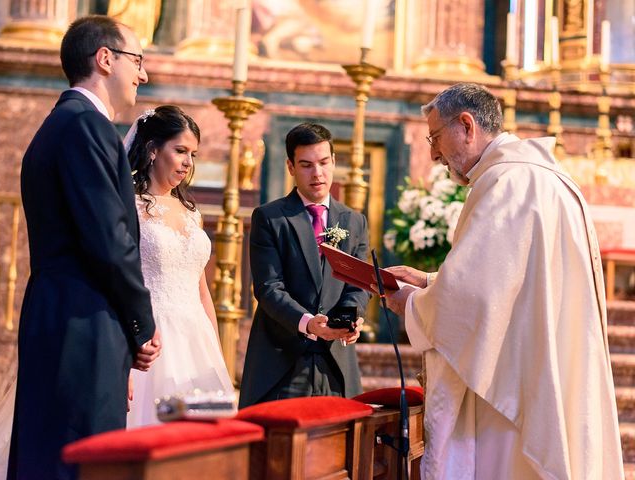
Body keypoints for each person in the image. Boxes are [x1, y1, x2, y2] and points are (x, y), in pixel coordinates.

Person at [383, 83, 624, 479]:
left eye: (436, 137)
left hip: (515, 384)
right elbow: (519, 280)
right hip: (541, 357)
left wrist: (410, 300)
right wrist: (431, 281)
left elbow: (474, 298)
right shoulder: (541, 176)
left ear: (466, 125)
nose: (433, 153)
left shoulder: (507, 183)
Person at [7, 15, 161, 480]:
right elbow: (109, 240)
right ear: (105, 58)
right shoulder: (86, 128)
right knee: (81, 459)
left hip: (64, 314)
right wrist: (142, 324)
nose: (144, 74)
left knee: (54, 452)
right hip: (84, 320)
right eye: (137, 60)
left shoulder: (63, 124)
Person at [239, 122, 369, 408]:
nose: (317, 173)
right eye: (306, 165)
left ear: (334, 161)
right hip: (283, 364)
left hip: (336, 364)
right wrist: (308, 322)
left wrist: (351, 318)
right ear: (290, 166)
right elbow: (268, 288)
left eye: (324, 162)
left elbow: (360, 285)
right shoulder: (269, 218)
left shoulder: (354, 221)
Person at [124, 105, 234, 427]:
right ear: (153, 150)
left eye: (193, 154)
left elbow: (201, 291)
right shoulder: (130, 206)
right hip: (152, 336)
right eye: (181, 151)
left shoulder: (191, 212)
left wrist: (215, 347)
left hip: (195, 336)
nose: (188, 163)